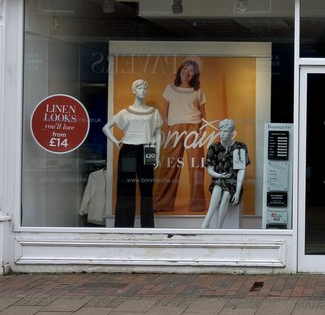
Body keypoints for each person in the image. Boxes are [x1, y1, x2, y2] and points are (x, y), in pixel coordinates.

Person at [103, 79, 162, 228]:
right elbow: (106, 128)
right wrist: (116, 141)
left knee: (147, 190)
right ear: (133, 90)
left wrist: (157, 153)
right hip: (128, 151)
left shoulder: (153, 112)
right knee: (126, 189)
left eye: (144, 88)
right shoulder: (125, 112)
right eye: (139, 88)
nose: (143, 90)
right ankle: (123, 227)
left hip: (146, 151)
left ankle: (148, 229)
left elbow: (158, 132)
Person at [154, 59, 208, 213]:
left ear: (195, 75)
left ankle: (197, 205)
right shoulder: (170, 88)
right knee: (170, 165)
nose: (187, 73)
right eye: (185, 69)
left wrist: (202, 131)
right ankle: (162, 204)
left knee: (196, 166)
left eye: (191, 71)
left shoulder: (198, 91)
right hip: (175, 128)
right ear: (180, 71)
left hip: (194, 127)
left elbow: (204, 113)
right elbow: (164, 111)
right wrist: (168, 128)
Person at [201, 119, 249, 229]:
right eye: (220, 130)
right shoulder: (214, 148)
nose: (222, 133)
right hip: (218, 180)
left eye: (226, 131)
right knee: (219, 184)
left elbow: (241, 170)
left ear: (232, 132)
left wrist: (237, 192)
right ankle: (208, 222)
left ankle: (214, 226)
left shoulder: (240, 147)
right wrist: (220, 175)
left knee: (227, 193)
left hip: (233, 182)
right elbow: (210, 170)